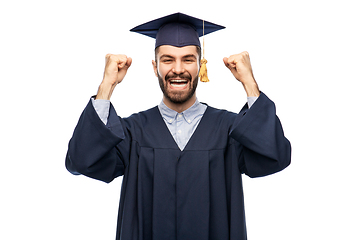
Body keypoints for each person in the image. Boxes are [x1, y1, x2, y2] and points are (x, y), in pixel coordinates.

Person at [66, 12, 291, 240]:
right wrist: (106, 86)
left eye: (188, 59)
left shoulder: (230, 131)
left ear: (200, 65)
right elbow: (80, 160)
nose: (178, 69)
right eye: (167, 59)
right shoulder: (132, 133)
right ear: (155, 67)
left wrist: (249, 83)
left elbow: (275, 157)